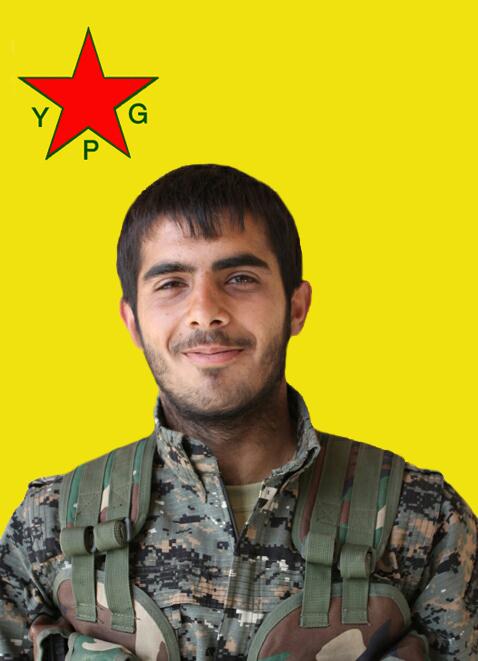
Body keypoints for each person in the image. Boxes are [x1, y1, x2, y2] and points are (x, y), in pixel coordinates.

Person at [0, 164, 476, 661]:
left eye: (241, 278)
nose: (205, 311)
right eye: (171, 283)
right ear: (133, 321)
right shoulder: (47, 525)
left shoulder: (424, 520)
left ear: (296, 307)